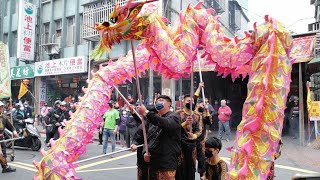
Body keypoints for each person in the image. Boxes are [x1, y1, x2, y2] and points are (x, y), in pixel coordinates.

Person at [137, 95, 181, 180]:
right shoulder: (154, 121)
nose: (158, 102)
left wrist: (146, 113)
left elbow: (165, 123)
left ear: (169, 104)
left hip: (166, 163)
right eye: (157, 101)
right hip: (153, 163)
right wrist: (145, 152)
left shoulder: (174, 117)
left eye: (161, 100)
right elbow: (149, 139)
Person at [176, 86, 202, 180]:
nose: (190, 102)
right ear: (183, 102)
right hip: (180, 144)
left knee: (191, 168)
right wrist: (185, 123)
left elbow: (199, 129)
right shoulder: (177, 114)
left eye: (192, 101)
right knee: (180, 167)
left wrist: (194, 135)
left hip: (192, 145)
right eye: (188, 101)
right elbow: (174, 128)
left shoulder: (197, 115)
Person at [0, 101, 18, 173]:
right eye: (0, 107)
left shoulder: (4, 116)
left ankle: (5, 167)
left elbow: (9, 125)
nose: (1, 108)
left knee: (3, 152)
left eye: (1, 107)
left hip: (1, 138)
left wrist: (14, 132)